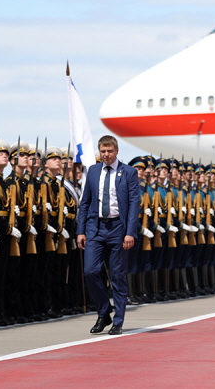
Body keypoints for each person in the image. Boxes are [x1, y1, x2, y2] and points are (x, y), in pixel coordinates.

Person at [77, 135, 141, 335]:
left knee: (117, 276)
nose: (106, 155)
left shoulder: (129, 172)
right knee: (90, 271)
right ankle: (104, 313)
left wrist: (130, 232)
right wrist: (80, 231)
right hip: (95, 228)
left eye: (109, 151)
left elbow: (133, 205)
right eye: (103, 152)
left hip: (117, 230)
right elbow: (85, 202)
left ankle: (118, 321)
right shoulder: (94, 171)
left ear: (116, 151)